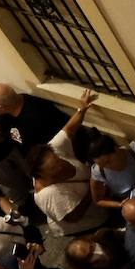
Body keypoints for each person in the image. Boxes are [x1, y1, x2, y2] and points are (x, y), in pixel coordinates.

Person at [30, 90, 108, 235]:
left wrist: (82, 109)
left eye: (58, 161)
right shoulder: (49, 195)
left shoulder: (53, 149)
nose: (61, 167)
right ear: (40, 175)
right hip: (90, 221)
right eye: (54, 169)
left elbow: (69, 129)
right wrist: (93, 188)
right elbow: (74, 217)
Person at [0, 85, 69, 159]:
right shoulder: (8, 109)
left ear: (0, 107)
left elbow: (56, 145)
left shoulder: (35, 116)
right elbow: (2, 135)